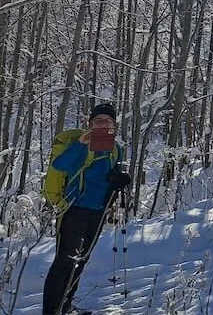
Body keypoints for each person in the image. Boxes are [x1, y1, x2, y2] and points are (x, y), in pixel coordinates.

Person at [42, 103, 131, 315]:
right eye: (98, 121)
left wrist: (119, 180)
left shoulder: (116, 149)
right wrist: (81, 145)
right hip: (73, 209)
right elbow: (59, 165)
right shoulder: (80, 145)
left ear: (114, 126)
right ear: (90, 124)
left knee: (81, 260)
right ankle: (51, 311)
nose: (103, 124)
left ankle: (66, 307)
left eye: (108, 121)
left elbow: (110, 176)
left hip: (98, 211)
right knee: (64, 261)